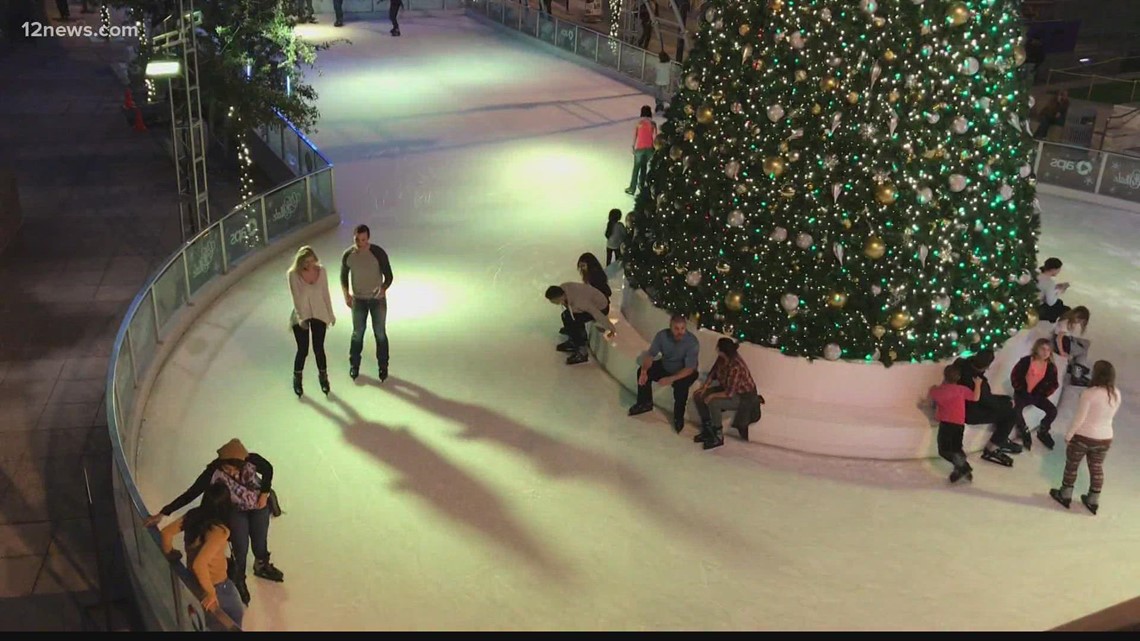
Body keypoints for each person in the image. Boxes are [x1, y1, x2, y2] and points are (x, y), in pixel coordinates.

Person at [145, 439, 283, 606]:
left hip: (257, 505)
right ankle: (239, 578)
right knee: (240, 546)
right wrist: (164, 512)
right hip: (234, 509)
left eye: (233, 469)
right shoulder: (213, 472)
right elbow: (191, 493)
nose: (231, 473)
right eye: (227, 468)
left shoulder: (250, 460)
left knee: (260, 540)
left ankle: (261, 565)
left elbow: (268, 468)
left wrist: (265, 492)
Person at [160, 483, 243, 630]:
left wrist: (171, 553)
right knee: (235, 615)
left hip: (195, 582)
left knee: (208, 623)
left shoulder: (192, 516)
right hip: (218, 586)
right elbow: (200, 563)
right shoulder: (220, 531)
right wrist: (211, 593)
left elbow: (166, 533)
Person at [1049, 361, 1120, 515]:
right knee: (1096, 468)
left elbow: (1079, 418)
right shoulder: (1116, 393)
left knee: (1072, 466)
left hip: (1084, 436)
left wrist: (1069, 435)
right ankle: (1093, 499)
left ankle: (1065, 494)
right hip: (1105, 437)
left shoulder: (1089, 394)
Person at [340, 224, 394, 382]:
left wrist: (383, 288)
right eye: (357, 239)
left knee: (380, 333)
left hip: (377, 300)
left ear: (368, 238)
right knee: (357, 333)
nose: (360, 242)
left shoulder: (377, 252)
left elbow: (389, 275)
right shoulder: (348, 255)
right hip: (358, 300)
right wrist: (346, 295)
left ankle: (383, 365)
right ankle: (354, 365)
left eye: (363, 239)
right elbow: (343, 276)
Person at [628, 314, 700, 433]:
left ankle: (678, 417)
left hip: (685, 371)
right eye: (676, 328)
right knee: (642, 371)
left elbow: (689, 368)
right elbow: (650, 355)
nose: (680, 332)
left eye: (682, 328)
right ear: (670, 327)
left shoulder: (692, 342)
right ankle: (644, 403)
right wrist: (644, 371)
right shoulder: (662, 336)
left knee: (681, 388)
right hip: (667, 365)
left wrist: (671, 379)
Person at [952, 349, 1020, 465]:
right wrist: (1008, 403)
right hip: (970, 413)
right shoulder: (978, 382)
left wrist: (1004, 399)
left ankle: (1001, 438)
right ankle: (992, 448)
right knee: (1012, 413)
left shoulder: (961, 363)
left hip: (961, 404)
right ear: (987, 366)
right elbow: (989, 402)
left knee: (1005, 404)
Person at [692, 338, 760, 450]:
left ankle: (718, 436)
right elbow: (713, 372)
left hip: (743, 396)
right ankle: (708, 429)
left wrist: (712, 395)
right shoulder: (722, 358)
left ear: (722, 351)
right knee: (698, 396)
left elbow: (729, 393)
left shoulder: (736, 367)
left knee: (713, 402)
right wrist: (705, 387)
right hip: (728, 388)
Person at [288, 246, 336, 397]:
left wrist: (330, 314)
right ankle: (297, 378)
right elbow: (296, 298)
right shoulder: (293, 275)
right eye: (306, 262)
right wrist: (301, 318)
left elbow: (325, 293)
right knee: (303, 349)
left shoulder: (321, 271)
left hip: (319, 313)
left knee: (318, 348)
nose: (309, 265)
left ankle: (323, 377)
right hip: (301, 314)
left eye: (311, 261)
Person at [929, 364, 983, 484]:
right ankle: (960, 468)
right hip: (959, 423)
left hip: (946, 424)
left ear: (944, 376)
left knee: (944, 450)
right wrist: (978, 384)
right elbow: (975, 398)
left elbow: (932, 396)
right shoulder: (961, 390)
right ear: (958, 378)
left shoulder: (938, 391)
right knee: (957, 448)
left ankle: (963, 467)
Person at [545, 283, 615, 365]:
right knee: (566, 316)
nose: (552, 303)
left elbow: (596, 313)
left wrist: (611, 328)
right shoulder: (563, 289)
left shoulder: (580, 302)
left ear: (559, 297)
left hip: (601, 307)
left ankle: (582, 352)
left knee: (574, 321)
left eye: (553, 301)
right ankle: (574, 340)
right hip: (589, 301)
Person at [1010, 338, 1061, 450]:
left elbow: (1054, 384)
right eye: (1042, 348)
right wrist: (1020, 389)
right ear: (1036, 348)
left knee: (1052, 410)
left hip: (1038, 395)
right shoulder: (1026, 361)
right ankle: (1023, 429)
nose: (1045, 352)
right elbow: (1015, 375)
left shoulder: (1051, 367)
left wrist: (1043, 394)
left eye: (1048, 350)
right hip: (1022, 393)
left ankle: (1043, 430)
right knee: (1016, 410)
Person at [1053, 306, 1091, 386]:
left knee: (1081, 346)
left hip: (1066, 340)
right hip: (1063, 344)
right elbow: (1059, 339)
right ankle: (1076, 375)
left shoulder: (1068, 319)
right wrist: (1062, 352)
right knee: (1082, 352)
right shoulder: (1066, 323)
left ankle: (1075, 367)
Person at [625, 106, 657, 197]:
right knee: (644, 168)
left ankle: (632, 188)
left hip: (639, 148)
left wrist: (633, 146)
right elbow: (655, 136)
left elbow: (635, 136)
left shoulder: (639, 124)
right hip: (649, 149)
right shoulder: (653, 124)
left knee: (636, 169)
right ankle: (641, 186)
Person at [1036, 257, 1070, 322]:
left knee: (1060, 303)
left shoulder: (1037, 273)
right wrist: (1059, 291)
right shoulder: (1049, 282)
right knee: (1060, 305)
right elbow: (1050, 303)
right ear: (1053, 269)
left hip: (1031, 300)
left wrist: (1054, 289)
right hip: (1037, 307)